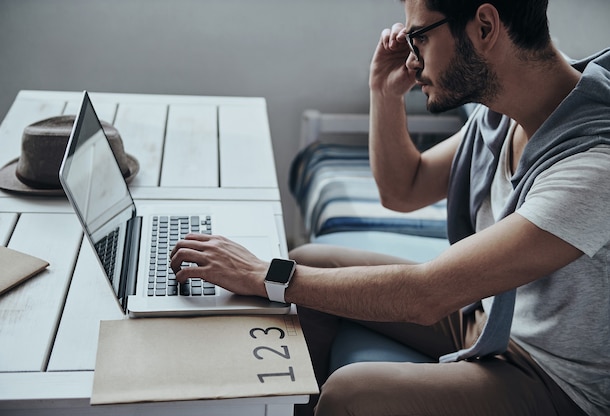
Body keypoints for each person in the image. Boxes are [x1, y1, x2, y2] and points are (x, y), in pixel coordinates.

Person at [170, 0, 610, 414]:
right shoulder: (510, 110)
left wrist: (261, 274)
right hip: (492, 316)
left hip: (555, 376)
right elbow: (405, 189)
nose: (413, 59)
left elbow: (427, 295)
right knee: (306, 261)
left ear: (485, 27)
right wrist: (384, 91)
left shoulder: (592, 165)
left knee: (350, 394)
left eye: (420, 36)